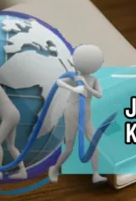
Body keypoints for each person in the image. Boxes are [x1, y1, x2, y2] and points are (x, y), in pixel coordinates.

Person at [47, 43, 106, 184]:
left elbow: (99, 95)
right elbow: (59, 82)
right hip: (72, 113)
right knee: (69, 148)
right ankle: (55, 168)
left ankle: (96, 174)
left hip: (86, 115)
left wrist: (86, 87)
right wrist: (74, 89)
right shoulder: (75, 77)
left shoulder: (93, 80)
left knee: (94, 144)